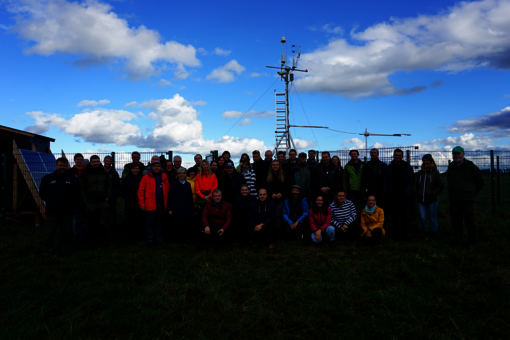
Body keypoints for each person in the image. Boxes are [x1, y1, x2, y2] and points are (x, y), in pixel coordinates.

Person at [40, 158, 80, 256]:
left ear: (67, 166)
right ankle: (47, 252)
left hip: (68, 212)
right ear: (56, 166)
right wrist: (51, 202)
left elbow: (77, 194)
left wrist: (72, 205)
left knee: (66, 233)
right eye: (60, 165)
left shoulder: (73, 179)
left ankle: (63, 251)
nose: (62, 167)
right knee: (50, 233)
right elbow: (42, 194)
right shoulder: (47, 178)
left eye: (64, 166)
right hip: (52, 211)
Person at [447, 146, 484, 250]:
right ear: (452, 155)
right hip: (454, 200)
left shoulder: (471, 167)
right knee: (456, 222)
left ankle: (471, 243)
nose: (457, 155)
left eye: (459, 153)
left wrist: (472, 192)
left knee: (470, 222)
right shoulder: (451, 167)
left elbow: (480, 182)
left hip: (468, 200)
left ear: (463, 154)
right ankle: (459, 242)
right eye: (455, 154)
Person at [80, 155, 114, 248]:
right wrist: (85, 201)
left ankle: (111, 240)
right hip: (90, 202)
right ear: (90, 162)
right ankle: (92, 242)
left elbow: (109, 185)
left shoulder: (104, 172)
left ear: (100, 162)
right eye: (94, 161)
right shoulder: (86, 173)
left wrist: (107, 196)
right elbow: (81, 188)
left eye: (97, 161)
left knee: (109, 221)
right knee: (91, 223)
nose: (96, 163)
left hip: (103, 201)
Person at [384, 148, 415, 241]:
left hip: (404, 196)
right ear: (393, 156)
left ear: (402, 156)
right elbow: (385, 181)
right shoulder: (388, 167)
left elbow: (411, 180)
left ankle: (404, 235)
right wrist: (386, 193)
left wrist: (407, 193)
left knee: (404, 217)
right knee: (394, 216)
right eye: (396, 155)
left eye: (399, 155)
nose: (397, 156)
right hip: (392, 196)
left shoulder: (408, 167)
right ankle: (395, 234)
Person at [138, 160, 170, 247]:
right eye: (155, 166)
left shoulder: (164, 177)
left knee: (159, 224)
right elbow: (141, 192)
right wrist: (142, 204)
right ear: (151, 167)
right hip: (149, 205)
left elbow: (167, 191)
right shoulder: (146, 177)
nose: (156, 167)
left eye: (158, 166)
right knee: (150, 224)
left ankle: (159, 240)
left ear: (161, 167)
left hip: (161, 205)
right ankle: (150, 240)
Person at [416, 154, 444, 239]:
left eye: (427, 160)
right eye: (424, 160)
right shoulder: (420, 173)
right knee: (423, 218)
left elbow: (441, 185)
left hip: (432, 200)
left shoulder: (435, 172)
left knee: (432, 218)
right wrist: (417, 194)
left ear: (431, 161)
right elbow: (417, 185)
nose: (425, 162)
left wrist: (433, 193)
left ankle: (433, 234)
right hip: (421, 200)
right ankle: (425, 234)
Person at [168, 167, 195, 243]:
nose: (182, 175)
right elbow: (170, 196)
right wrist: (170, 209)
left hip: (186, 208)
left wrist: (191, 208)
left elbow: (190, 197)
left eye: (183, 173)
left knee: (185, 224)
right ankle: (177, 240)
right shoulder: (174, 184)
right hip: (177, 208)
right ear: (178, 175)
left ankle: (185, 239)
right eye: (180, 173)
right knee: (177, 224)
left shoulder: (188, 184)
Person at [264, 160, 290, 231]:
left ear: (279, 166)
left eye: (276, 165)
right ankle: (269, 229)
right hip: (269, 198)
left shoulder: (284, 175)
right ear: (271, 166)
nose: (275, 166)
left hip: (280, 198)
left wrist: (281, 193)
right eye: (273, 165)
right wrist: (271, 193)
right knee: (269, 214)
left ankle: (278, 229)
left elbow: (287, 186)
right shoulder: (266, 175)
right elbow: (265, 185)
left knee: (278, 214)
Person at [120, 163, 144, 243]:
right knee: (130, 220)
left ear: (139, 170)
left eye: (137, 168)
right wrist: (128, 198)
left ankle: (138, 236)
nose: (135, 170)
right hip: (130, 202)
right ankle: (131, 236)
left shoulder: (142, 178)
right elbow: (122, 190)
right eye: (134, 169)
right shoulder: (126, 179)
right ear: (131, 170)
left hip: (140, 202)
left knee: (139, 220)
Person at [68, 153, 87, 241]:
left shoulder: (86, 171)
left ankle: (83, 234)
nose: (79, 161)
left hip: (84, 198)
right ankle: (77, 233)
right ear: (75, 160)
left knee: (83, 217)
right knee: (75, 218)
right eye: (77, 159)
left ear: (83, 161)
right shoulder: (70, 171)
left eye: (81, 159)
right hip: (74, 198)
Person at [103, 155, 120, 228]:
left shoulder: (114, 173)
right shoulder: (100, 171)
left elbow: (117, 186)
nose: (108, 162)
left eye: (110, 161)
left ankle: (113, 228)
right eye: (107, 161)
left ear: (112, 162)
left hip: (111, 197)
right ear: (104, 161)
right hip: (101, 197)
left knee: (112, 213)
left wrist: (113, 196)